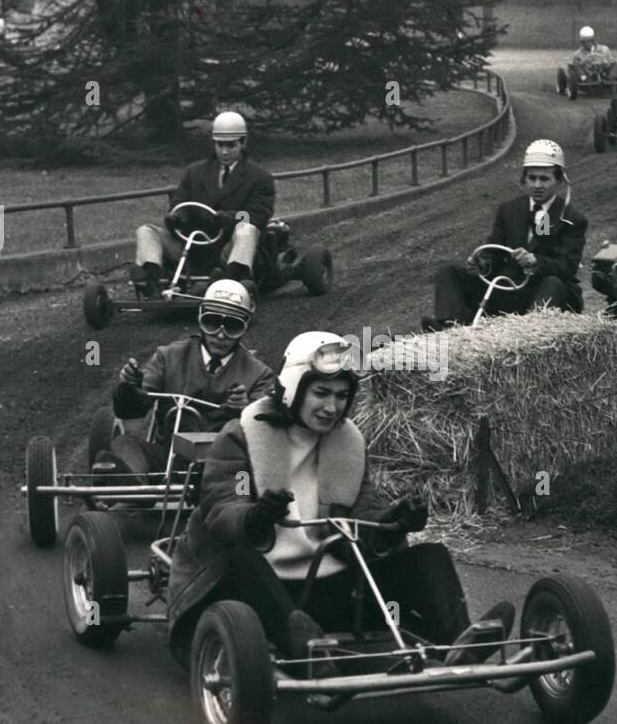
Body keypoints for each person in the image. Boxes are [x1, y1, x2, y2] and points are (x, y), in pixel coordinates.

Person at [167, 331, 514, 671]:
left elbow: (362, 510)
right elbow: (223, 509)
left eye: (341, 395)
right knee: (240, 555)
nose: (331, 407)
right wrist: (256, 514)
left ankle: (459, 643)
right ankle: (304, 652)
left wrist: (394, 521)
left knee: (430, 555)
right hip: (255, 592)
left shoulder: (347, 443)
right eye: (320, 393)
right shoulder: (241, 435)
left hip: (328, 586)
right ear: (292, 389)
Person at [93, 280, 274, 480]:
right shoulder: (168, 357)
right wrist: (130, 386)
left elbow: (266, 433)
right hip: (169, 459)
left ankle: (230, 500)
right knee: (125, 443)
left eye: (232, 326)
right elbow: (130, 410)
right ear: (200, 318)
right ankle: (132, 493)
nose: (221, 334)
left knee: (247, 475)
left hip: (226, 469)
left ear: (245, 326)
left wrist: (246, 408)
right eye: (212, 322)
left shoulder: (260, 374)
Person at [421, 140, 587, 330]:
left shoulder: (571, 219)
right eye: (532, 178)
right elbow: (494, 251)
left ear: (559, 181)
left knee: (553, 283)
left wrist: (536, 261)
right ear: (524, 179)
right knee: (449, 272)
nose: (537, 185)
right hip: (509, 288)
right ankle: (452, 327)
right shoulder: (510, 211)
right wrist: (482, 264)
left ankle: (531, 334)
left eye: (544, 179)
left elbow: (567, 267)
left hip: (546, 291)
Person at [130, 111, 275, 298]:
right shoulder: (195, 172)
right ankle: (153, 279)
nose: (224, 151)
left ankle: (231, 281)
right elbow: (179, 201)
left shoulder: (259, 177)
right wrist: (177, 217)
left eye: (230, 145)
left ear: (243, 142)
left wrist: (228, 218)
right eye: (219, 145)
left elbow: (255, 215)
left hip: (229, 245)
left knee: (247, 229)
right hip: (194, 245)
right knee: (146, 230)